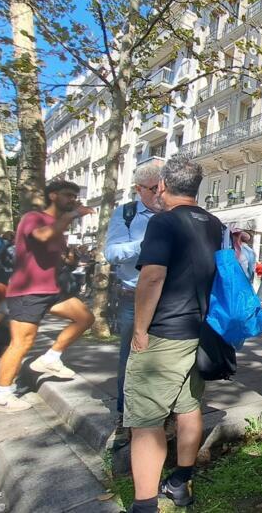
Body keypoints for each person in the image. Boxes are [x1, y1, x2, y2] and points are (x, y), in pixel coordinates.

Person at [124, 155, 223, 512]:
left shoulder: (163, 223)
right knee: (189, 407)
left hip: (164, 333)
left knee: (146, 420)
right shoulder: (214, 223)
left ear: (163, 185)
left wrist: (140, 329)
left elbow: (152, 276)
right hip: (199, 331)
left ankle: (144, 503)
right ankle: (180, 483)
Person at [0, 180, 96, 413]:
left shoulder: (59, 223)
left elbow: (60, 256)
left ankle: (51, 358)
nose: (73, 200)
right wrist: (72, 215)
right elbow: (42, 237)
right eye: (68, 195)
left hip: (51, 290)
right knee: (21, 343)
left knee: (85, 318)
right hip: (28, 291)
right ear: (52, 196)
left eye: (75, 196)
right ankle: (0, 396)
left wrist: (70, 256)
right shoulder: (33, 217)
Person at [103, 157, 165, 437]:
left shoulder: (171, 210)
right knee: (130, 358)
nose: (158, 194)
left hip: (168, 298)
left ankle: (162, 415)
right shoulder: (126, 213)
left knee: (165, 359)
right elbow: (112, 253)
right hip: (133, 297)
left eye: (162, 187)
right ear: (139, 189)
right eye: (153, 189)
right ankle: (124, 414)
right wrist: (146, 244)